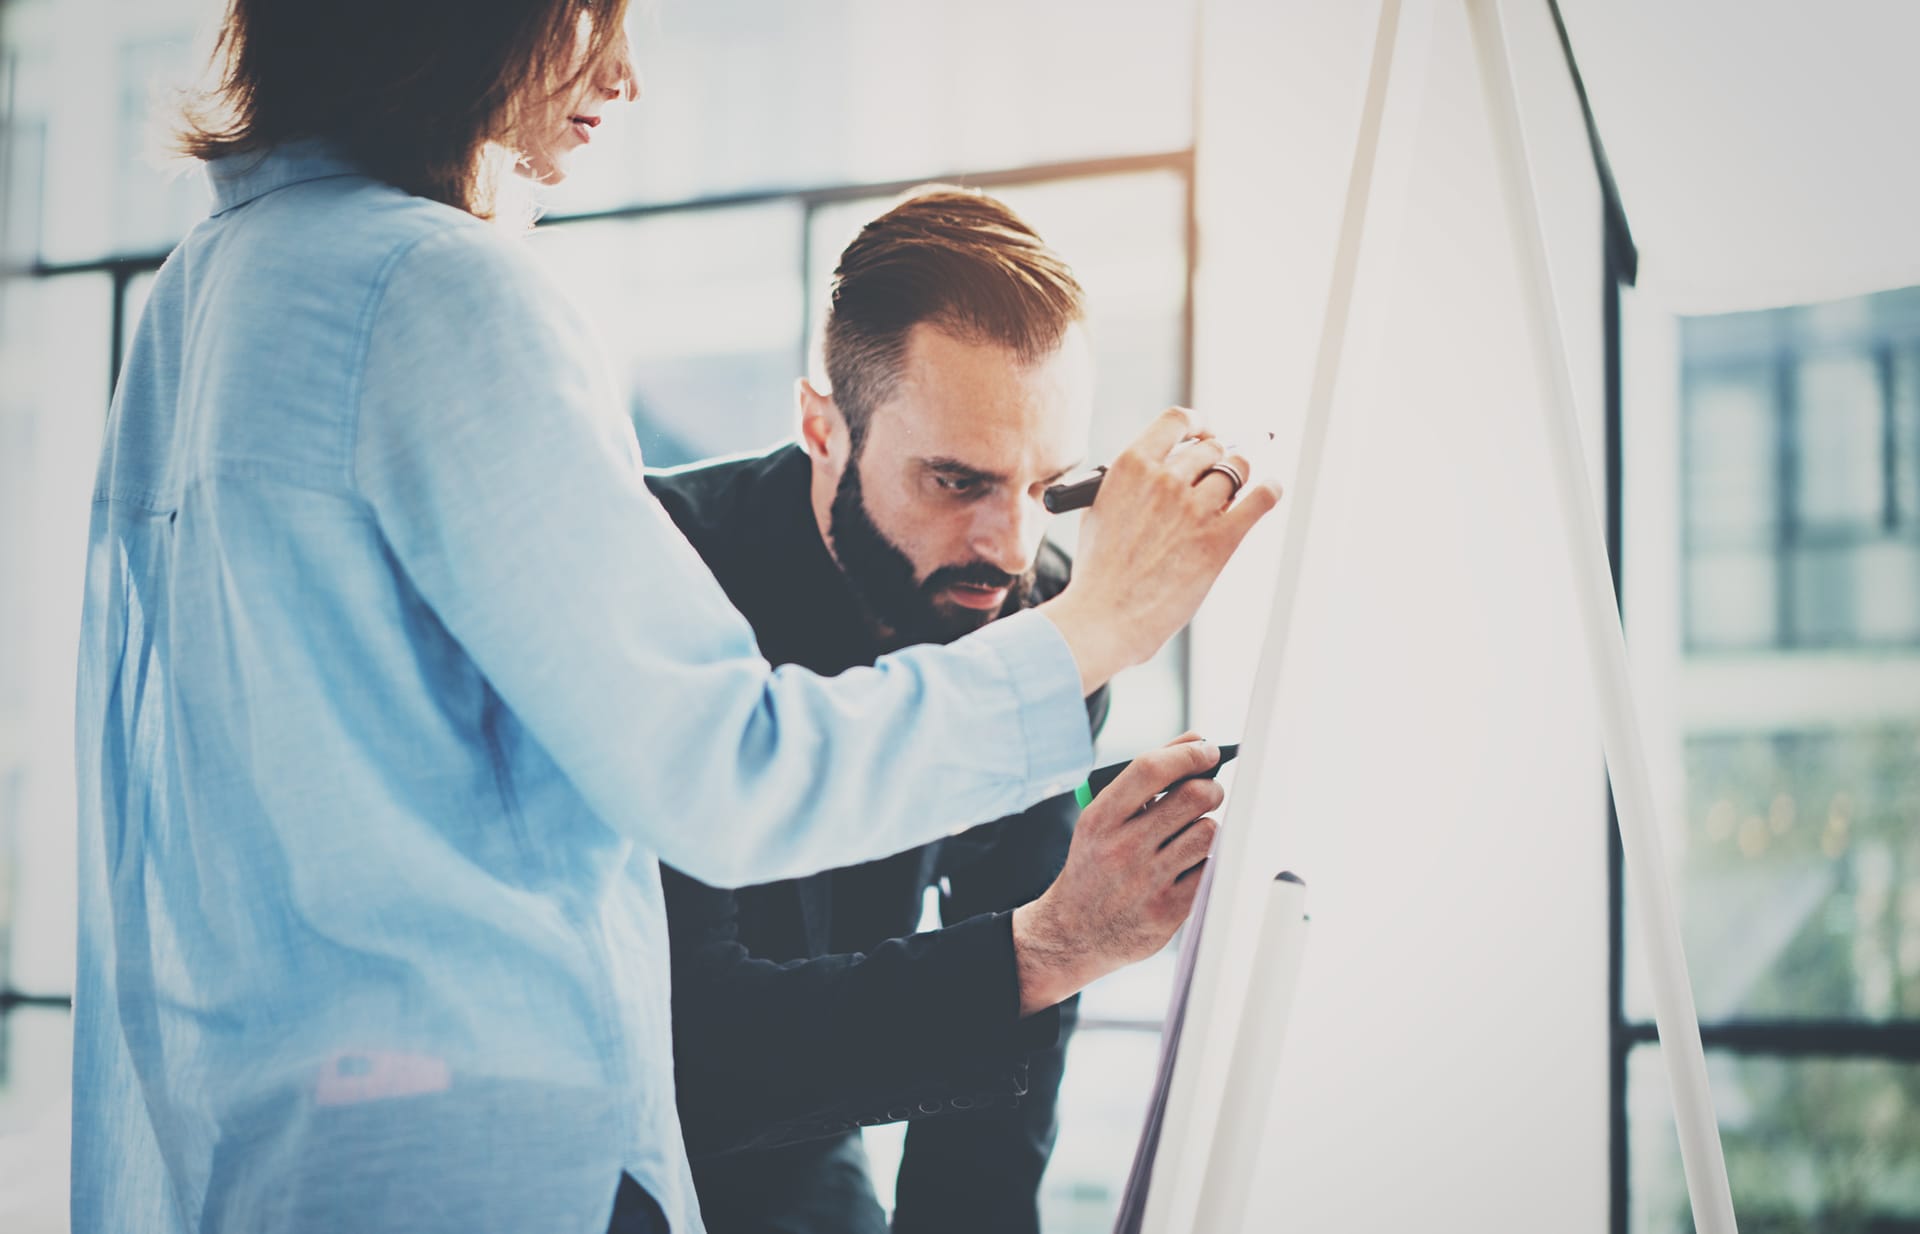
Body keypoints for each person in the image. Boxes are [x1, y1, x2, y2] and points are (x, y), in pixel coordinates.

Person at [70, 4, 1275, 1233]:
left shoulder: (205, 295)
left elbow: (1000, 1098)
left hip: (285, 1160)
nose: (629, 74)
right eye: (596, 11)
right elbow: (723, 773)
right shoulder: (437, 290)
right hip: (501, 1164)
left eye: (1040, 485)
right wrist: (1105, 628)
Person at [649, 191, 1224, 1234]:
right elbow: (698, 1049)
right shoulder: (664, 568)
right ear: (823, 428)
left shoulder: (1044, 606)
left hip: (813, 1131)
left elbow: (1019, 1026)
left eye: (1047, 485)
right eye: (958, 481)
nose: (1006, 546)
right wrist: (1047, 946)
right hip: (626, 1144)